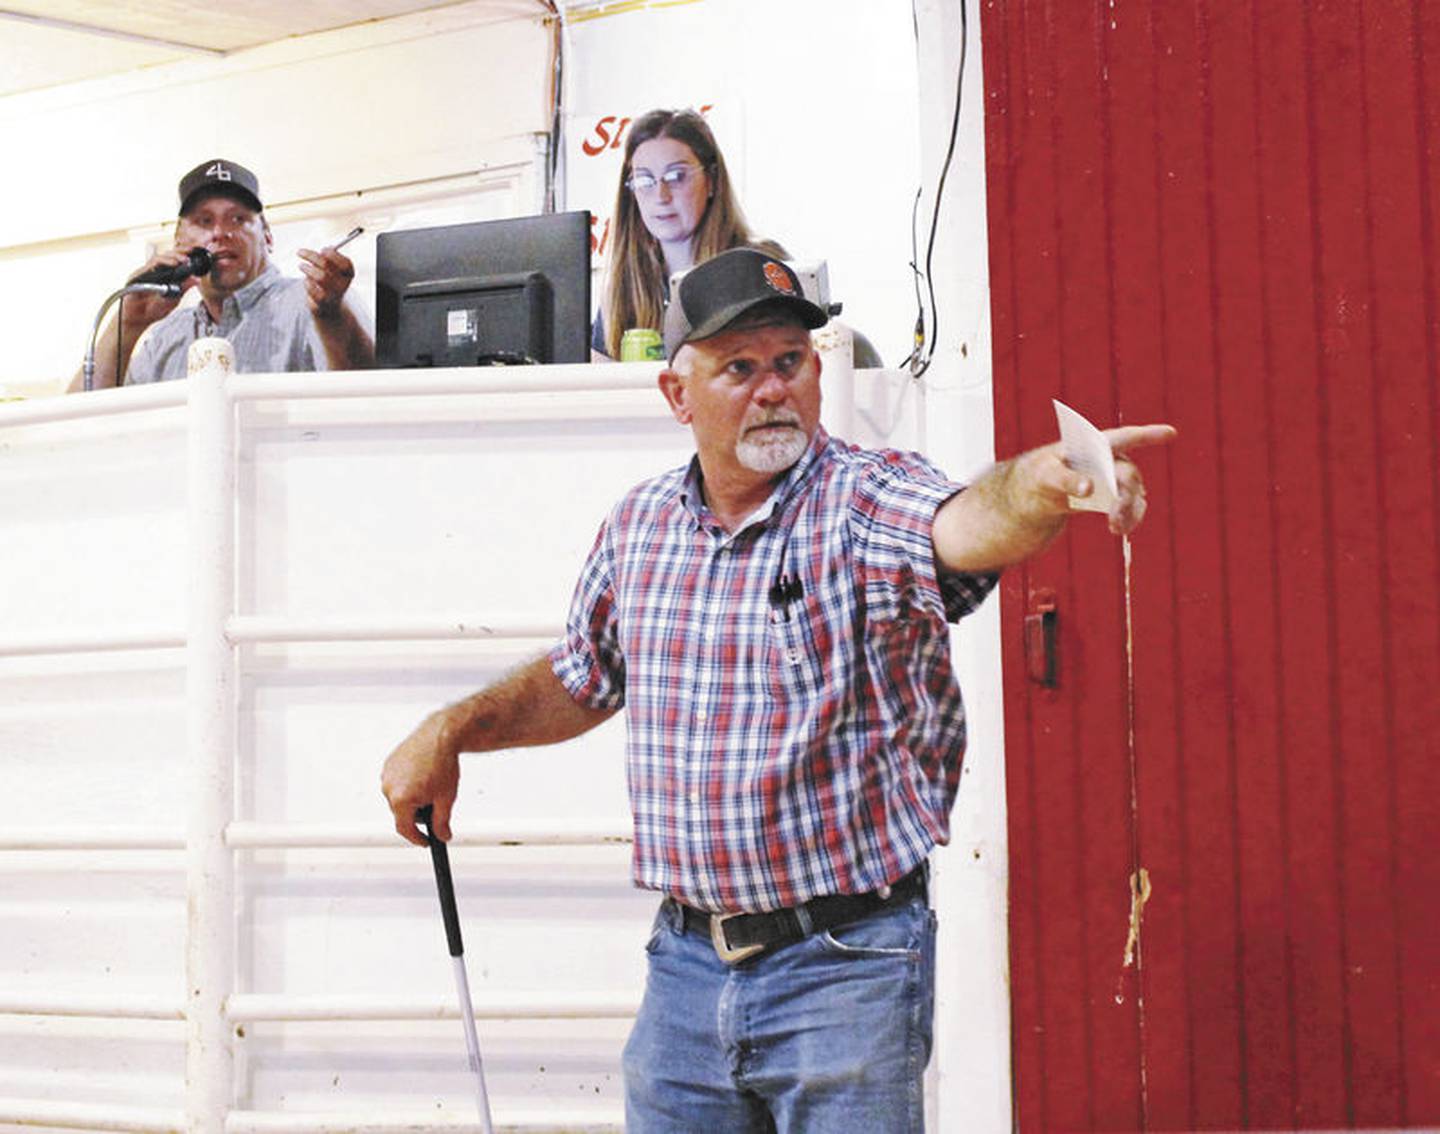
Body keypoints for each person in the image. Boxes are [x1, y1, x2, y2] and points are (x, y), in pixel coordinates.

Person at [381, 248, 1175, 1132]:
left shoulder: (863, 500)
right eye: (740, 368)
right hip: (683, 969)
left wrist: (1034, 485)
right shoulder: (640, 526)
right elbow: (583, 678)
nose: (773, 390)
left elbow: (961, 523)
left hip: (845, 965)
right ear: (678, 397)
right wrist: (451, 730)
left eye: (792, 362)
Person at [71, 158, 373, 391]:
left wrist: (333, 316)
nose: (219, 233)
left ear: (267, 237)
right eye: (203, 221)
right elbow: (78, 426)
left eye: (238, 220)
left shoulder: (316, 304)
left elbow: (366, 399)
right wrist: (128, 324)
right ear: (179, 241)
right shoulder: (165, 337)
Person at [591, 108, 788, 360]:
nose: (661, 196)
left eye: (676, 177)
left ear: (712, 180)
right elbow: (598, 391)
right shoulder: (624, 288)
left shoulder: (758, 264)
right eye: (645, 181)